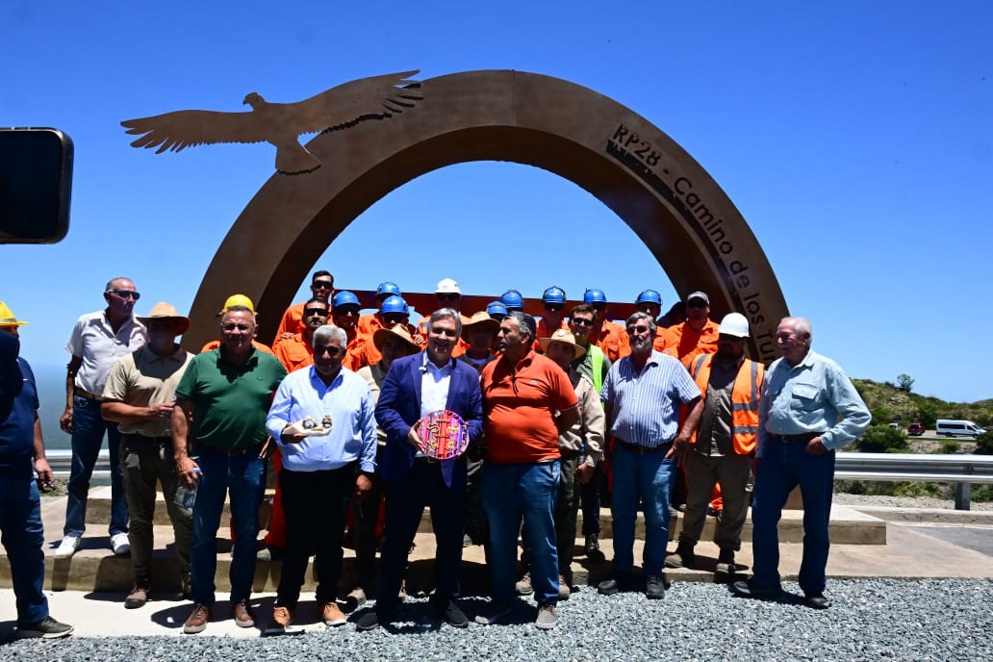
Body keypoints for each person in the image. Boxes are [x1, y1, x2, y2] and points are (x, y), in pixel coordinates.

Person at [356, 309, 484, 631]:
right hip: (407, 466)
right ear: (427, 332)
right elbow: (383, 409)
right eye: (437, 331)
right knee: (397, 538)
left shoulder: (468, 375)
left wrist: (464, 435)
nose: (443, 337)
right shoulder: (401, 368)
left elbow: (478, 418)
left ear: (457, 338)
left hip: (448, 469)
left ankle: (445, 601)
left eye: (449, 333)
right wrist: (405, 433)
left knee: (451, 539)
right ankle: (385, 603)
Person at [732, 317, 870, 610]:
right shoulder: (774, 371)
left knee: (816, 521)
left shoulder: (827, 370)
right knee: (763, 514)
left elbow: (860, 415)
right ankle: (766, 581)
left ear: (805, 339)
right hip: (775, 452)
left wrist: (827, 441)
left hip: (813, 453)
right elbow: (764, 415)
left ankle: (812, 588)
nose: (779, 341)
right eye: (778, 336)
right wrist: (759, 453)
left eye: (786, 336)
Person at [172, 306, 287, 634]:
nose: (236, 332)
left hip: (250, 460)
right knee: (203, 534)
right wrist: (182, 456)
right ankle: (203, 603)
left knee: (248, 535)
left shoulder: (270, 364)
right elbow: (181, 408)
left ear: (255, 329)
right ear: (221, 329)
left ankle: (241, 600)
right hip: (207, 459)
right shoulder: (201, 364)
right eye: (230, 327)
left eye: (242, 327)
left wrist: (273, 436)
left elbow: (289, 402)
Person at [264, 325, 377, 634]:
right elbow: (273, 419)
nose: (327, 356)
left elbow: (368, 431)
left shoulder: (357, 385)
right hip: (299, 477)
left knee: (331, 543)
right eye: (321, 351)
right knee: (297, 541)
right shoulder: (293, 382)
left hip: (339, 477)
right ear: (313, 351)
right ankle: (286, 602)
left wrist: (367, 471)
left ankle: (327, 599)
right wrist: (284, 431)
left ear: (343, 351)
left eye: (334, 351)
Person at [476, 311, 578, 630]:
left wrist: (542, 436)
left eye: (506, 330)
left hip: (539, 467)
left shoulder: (549, 368)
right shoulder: (490, 370)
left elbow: (571, 412)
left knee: (541, 536)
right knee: (501, 539)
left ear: (525, 337)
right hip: (497, 469)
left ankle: (547, 600)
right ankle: (503, 601)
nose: (500, 334)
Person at [597, 312, 701, 600]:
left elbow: (696, 400)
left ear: (653, 333)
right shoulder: (618, 368)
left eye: (642, 329)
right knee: (622, 515)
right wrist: (605, 447)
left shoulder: (671, 367)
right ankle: (621, 570)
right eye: (631, 329)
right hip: (625, 454)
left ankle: (652, 573)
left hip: (659, 456)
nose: (636, 334)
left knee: (656, 517)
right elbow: (607, 408)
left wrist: (684, 437)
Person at [101, 303, 194, 609]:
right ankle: (141, 581)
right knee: (139, 519)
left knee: (185, 516)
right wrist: (149, 412)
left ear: (177, 330)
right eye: (154, 325)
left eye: (166, 325)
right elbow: (108, 408)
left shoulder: (192, 363)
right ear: (147, 330)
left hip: (177, 450)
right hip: (137, 447)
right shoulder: (129, 364)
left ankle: (190, 578)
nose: (159, 330)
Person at [666, 313, 763, 583]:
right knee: (695, 502)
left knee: (734, 506)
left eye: (733, 339)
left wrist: (760, 451)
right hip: (700, 448)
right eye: (724, 338)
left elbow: (765, 413)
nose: (726, 343)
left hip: (737, 452)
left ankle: (727, 554)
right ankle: (686, 549)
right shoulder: (698, 363)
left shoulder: (757, 371)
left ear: (743, 342)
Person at [57, 278, 147, 558]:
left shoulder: (141, 330)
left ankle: (118, 530)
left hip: (121, 406)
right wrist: (69, 406)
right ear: (108, 296)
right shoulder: (86, 323)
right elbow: (73, 367)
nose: (130, 299)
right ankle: (73, 532)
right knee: (80, 470)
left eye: (135, 295)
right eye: (124, 294)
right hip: (88, 404)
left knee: (122, 472)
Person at [0, 304, 74, 638]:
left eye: (15, 330)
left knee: (29, 546)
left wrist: (40, 458)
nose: (15, 336)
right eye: (7, 330)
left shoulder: (23, 367)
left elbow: (32, 414)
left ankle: (33, 614)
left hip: (19, 476)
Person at [528, 328, 604, 599]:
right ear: (547, 351)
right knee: (534, 514)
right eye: (554, 348)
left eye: (564, 349)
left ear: (572, 355)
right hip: (536, 457)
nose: (558, 353)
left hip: (568, 458)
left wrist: (592, 458)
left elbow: (595, 423)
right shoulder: (533, 379)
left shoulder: (583, 384)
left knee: (566, 515)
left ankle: (561, 569)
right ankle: (531, 567)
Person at [349, 323, 420, 607]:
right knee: (364, 522)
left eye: (399, 346)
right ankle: (361, 580)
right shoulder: (362, 376)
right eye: (388, 344)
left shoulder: (414, 376)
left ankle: (396, 577)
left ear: (406, 351)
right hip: (370, 453)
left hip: (402, 453)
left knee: (398, 522)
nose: (392, 350)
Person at [567, 303, 611, 561]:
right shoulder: (556, 352)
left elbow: (609, 398)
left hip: (590, 436)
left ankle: (592, 537)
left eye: (587, 322)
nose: (581, 325)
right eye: (577, 320)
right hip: (564, 435)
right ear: (569, 322)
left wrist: (601, 443)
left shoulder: (600, 357)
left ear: (593, 326)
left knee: (591, 491)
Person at [199, 294, 276, 355]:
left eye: (242, 326)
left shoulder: (264, 352)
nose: (235, 331)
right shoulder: (210, 349)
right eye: (230, 325)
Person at [273, 270, 334, 344]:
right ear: (311, 288)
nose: (322, 288)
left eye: (327, 285)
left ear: (332, 290)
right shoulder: (293, 311)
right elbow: (278, 341)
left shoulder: (337, 313)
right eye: (318, 284)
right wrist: (282, 339)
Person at [665, 290, 719, 368]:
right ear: (686, 309)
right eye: (692, 305)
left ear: (708, 308)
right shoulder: (672, 332)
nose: (696, 309)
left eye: (701, 305)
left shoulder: (720, 332)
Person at [273, 298, 329, 372]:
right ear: (303, 318)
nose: (315, 316)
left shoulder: (336, 347)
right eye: (310, 312)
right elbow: (279, 376)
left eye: (321, 312)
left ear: (328, 319)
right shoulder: (285, 346)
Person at [583, 288, 630, 362]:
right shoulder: (579, 331)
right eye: (591, 307)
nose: (595, 310)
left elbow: (625, 362)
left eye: (599, 307)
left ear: (605, 309)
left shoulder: (619, 332)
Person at [330, 290, 366, 370]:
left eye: (353, 310)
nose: (349, 315)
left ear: (358, 315)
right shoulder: (326, 342)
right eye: (344, 310)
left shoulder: (366, 343)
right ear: (335, 315)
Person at [534, 286, 567, 351]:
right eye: (549, 306)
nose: (552, 310)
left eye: (557, 307)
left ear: (562, 308)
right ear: (544, 307)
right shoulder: (533, 329)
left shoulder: (568, 331)